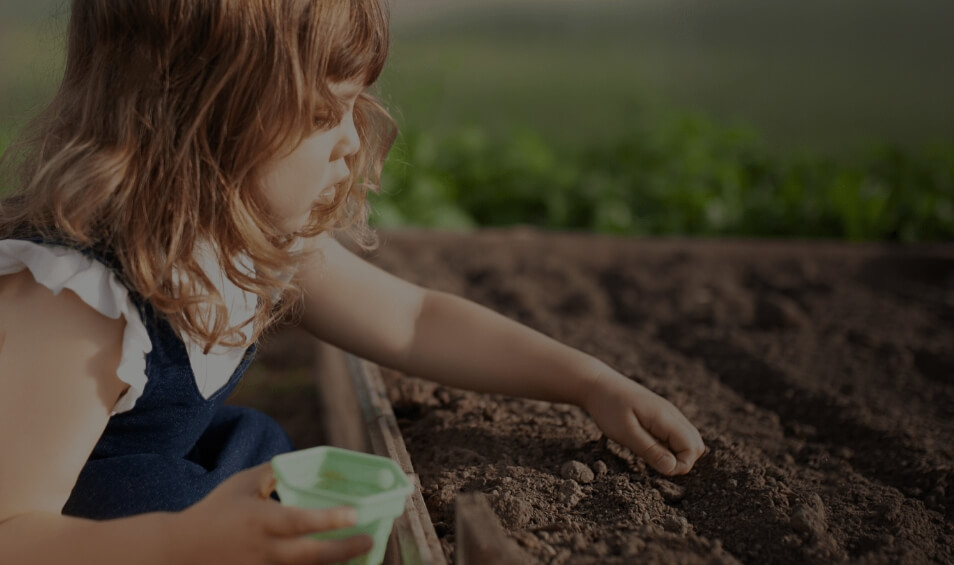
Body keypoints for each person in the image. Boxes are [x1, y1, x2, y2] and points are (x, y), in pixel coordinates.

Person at [0, 1, 706, 563]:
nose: (349, 140)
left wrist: (589, 382)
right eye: (319, 114)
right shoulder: (76, 301)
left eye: (353, 106)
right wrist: (184, 544)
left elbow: (417, 319)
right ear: (197, 117)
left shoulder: (249, 242)